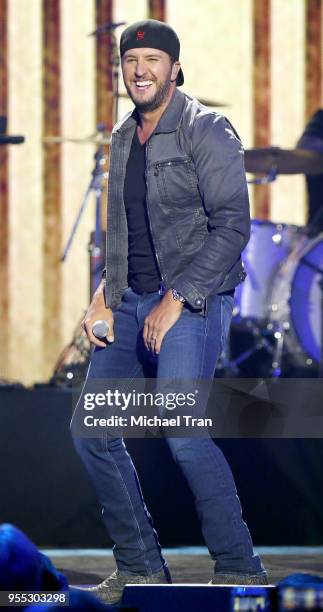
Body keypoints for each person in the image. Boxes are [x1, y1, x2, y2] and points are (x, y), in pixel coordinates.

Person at [71, 19, 268, 606]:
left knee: (183, 434)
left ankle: (240, 567)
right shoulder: (123, 137)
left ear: (175, 68)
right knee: (91, 432)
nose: (141, 71)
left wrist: (176, 298)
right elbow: (121, 231)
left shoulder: (207, 129)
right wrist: (104, 294)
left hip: (195, 298)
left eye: (153, 60)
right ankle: (140, 569)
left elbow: (234, 225)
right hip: (131, 302)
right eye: (132, 62)